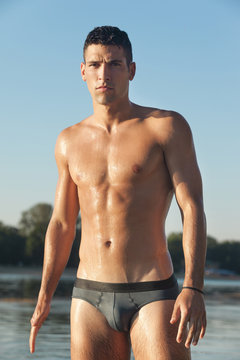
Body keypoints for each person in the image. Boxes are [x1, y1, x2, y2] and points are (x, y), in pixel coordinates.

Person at [29, 26, 206, 360]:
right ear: (83, 71)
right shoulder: (68, 140)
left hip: (153, 290)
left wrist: (193, 287)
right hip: (89, 294)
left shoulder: (165, 127)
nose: (104, 74)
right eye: (95, 64)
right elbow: (62, 224)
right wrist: (44, 295)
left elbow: (192, 208)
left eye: (114, 64)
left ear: (132, 70)